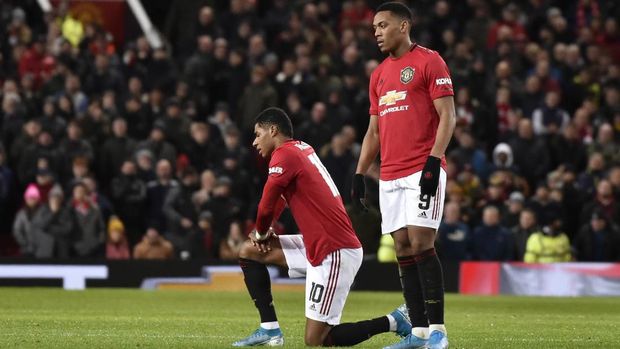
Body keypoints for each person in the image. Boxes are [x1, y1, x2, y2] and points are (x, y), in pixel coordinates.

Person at [233, 107, 411, 347]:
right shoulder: (301, 149)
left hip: (334, 250)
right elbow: (282, 199)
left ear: (273, 130)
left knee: (316, 339)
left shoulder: (284, 155)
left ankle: (394, 321)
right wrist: (264, 232)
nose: (254, 142)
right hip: (319, 243)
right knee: (249, 251)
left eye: (257, 134)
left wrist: (262, 231)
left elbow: (266, 204)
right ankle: (270, 329)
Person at [351, 3, 455, 349]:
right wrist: (360, 172)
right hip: (390, 176)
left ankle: (439, 331)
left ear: (403, 25)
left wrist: (433, 161)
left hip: (422, 169)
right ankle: (419, 332)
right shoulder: (378, 74)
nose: (377, 32)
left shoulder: (429, 61)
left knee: (422, 242)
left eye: (383, 25)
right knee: (402, 248)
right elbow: (373, 133)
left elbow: (448, 116)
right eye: (374, 27)